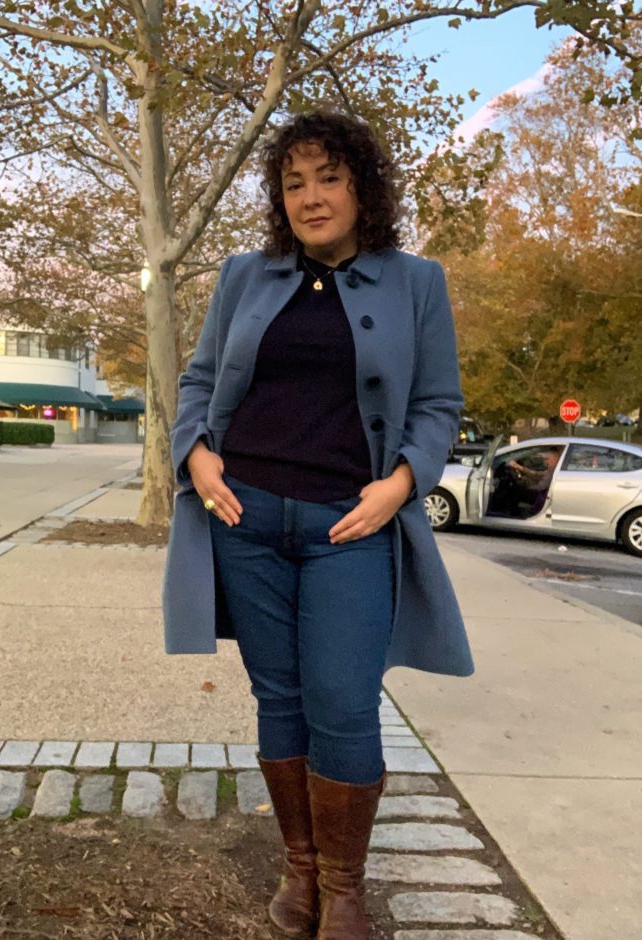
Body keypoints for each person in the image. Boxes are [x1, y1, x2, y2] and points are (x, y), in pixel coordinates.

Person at [163, 111, 473, 940]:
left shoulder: (417, 282)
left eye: (328, 177)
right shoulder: (244, 276)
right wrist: (195, 457)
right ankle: (300, 872)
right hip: (246, 517)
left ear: (363, 187)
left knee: (344, 702)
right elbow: (196, 382)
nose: (310, 196)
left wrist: (401, 485)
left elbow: (439, 405)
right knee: (281, 701)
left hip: (352, 526)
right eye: (293, 182)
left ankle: (345, 888)